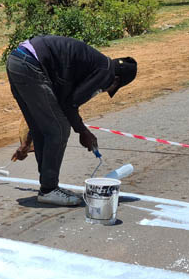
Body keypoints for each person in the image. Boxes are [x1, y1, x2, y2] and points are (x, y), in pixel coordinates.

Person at [7, 35, 137, 206]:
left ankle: (48, 187)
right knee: (59, 129)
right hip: (31, 64)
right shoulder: (106, 72)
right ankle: (49, 189)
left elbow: (50, 111)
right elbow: (70, 103)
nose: (105, 90)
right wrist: (83, 131)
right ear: (117, 79)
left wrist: (26, 144)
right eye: (112, 88)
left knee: (44, 128)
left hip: (16, 62)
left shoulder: (91, 65)